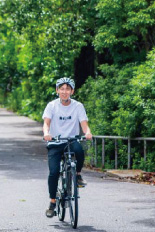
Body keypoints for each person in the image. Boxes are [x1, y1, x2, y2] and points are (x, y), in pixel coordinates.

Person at [42, 77, 93, 218]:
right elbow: (46, 123)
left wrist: (87, 132)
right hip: (55, 142)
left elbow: (83, 123)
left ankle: (77, 175)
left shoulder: (78, 106)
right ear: (57, 90)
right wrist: (46, 133)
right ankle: (52, 202)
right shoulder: (52, 106)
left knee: (79, 151)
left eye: (67, 89)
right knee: (53, 172)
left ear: (72, 91)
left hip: (71, 140)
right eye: (62, 89)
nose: (64, 92)